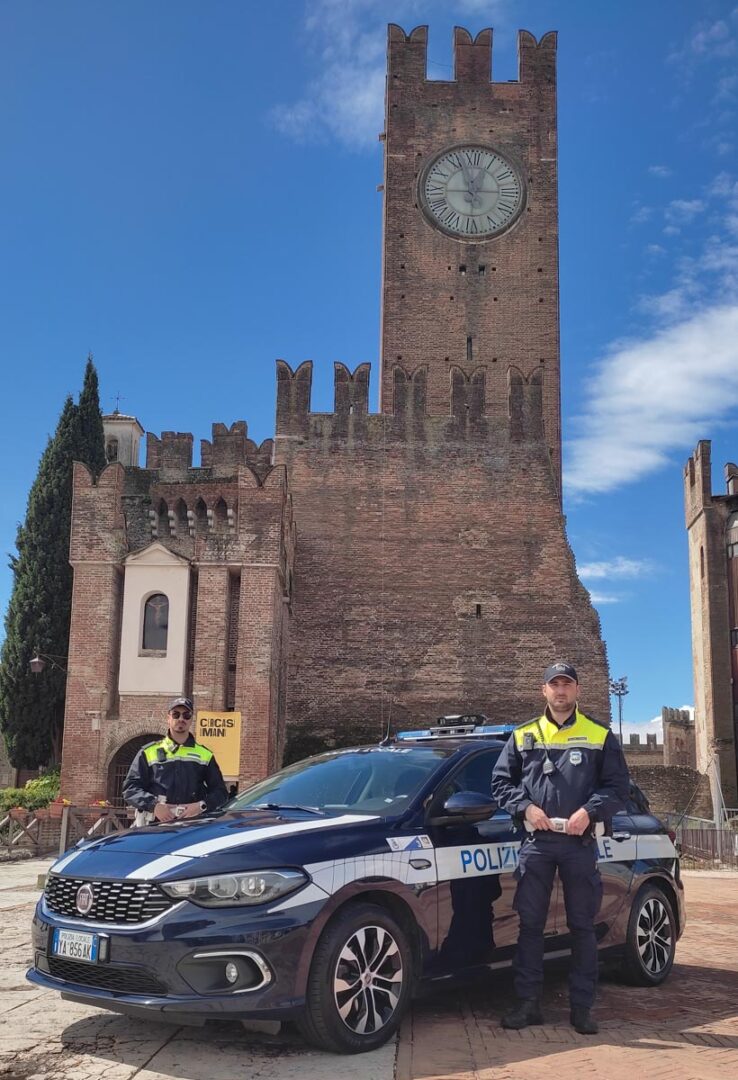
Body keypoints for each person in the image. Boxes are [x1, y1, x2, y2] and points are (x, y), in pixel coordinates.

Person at [490, 662, 630, 1035]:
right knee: (530, 926)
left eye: (567, 684)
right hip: (536, 843)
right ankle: (528, 1004)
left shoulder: (599, 734)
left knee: (582, 927)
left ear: (578, 691)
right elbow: (501, 783)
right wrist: (526, 808)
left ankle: (582, 1008)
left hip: (578, 844)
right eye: (554, 684)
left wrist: (589, 811)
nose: (561, 691)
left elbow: (618, 787)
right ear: (544, 691)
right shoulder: (523, 736)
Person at [123, 697, 228, 824]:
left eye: (186, 715)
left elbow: (221, 793)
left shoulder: (205, 754)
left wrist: (201, 806)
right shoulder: (148, 752)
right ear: (168, 718)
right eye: (176, 714)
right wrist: (154, 805)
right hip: (155, 824)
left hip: (192, 825)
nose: (181, 719)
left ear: (191, 720)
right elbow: (130, 789)